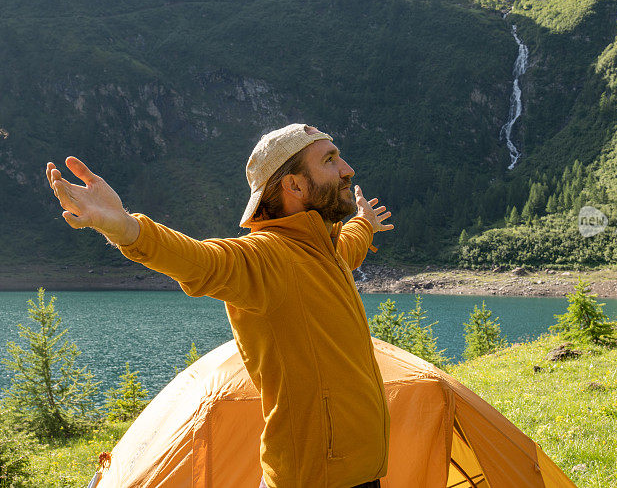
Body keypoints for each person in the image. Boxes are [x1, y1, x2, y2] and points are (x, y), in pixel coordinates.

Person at [45, 123, 395, 488]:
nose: (347, 169)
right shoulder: (267, 258)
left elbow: (349, 247)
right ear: (294, 185)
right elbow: (202, 261)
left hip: (359, 474)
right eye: (330, 160)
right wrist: (125, 228)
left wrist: (365, 224)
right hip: (315, 479)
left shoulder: (327, 251)